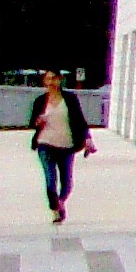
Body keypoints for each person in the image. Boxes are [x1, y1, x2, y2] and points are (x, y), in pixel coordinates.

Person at [31, 70, 93, 225]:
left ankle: (61, 202)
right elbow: (32, 121)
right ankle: (55, 210)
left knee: (67, 183)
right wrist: (38, 122)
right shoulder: (40, 101)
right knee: (50, 181)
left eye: (54, 79)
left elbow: (80, 120)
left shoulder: (70, 99)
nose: (51, 82)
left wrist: (88, 138)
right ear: (44, 82)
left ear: (60, 80)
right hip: (45, 144)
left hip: (67, 146)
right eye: (48, 79)